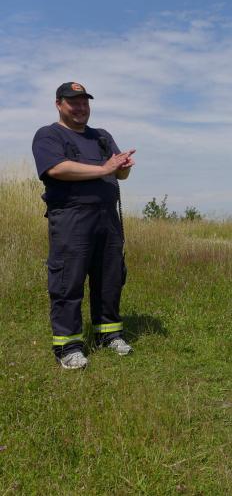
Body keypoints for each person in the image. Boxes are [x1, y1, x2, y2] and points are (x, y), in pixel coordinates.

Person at [31, 82, 136, 369]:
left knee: (110, 279)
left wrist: (122, 167)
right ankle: (68, 346)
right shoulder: (49, 135)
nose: (80, 107)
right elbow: (56, 168)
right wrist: (104, 168)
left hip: (107, 218)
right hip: (71, 218)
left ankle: (109, 333)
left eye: (84, 102)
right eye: (73, 102)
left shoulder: (101, 136)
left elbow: (119, 175)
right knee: (68, 281)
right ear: (58, 104)